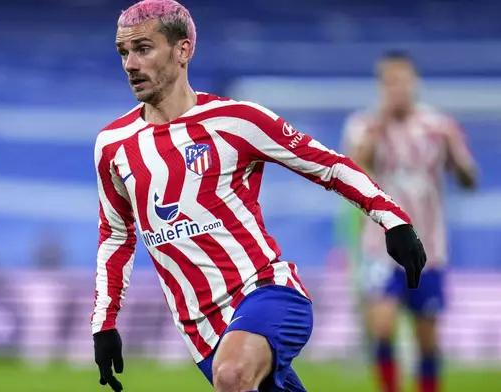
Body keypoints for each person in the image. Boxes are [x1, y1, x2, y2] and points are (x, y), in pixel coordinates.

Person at [91, 2, 427, 391]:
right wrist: (104, 323)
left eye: (143, 49)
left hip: (267, 292)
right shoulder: (112, 145)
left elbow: (329, 166)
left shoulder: (237, 121)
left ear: (183, 50)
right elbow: (116, 235)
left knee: (232, 374)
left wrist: (393, 219)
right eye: (123, 52)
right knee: (234, 373)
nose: (130, 63)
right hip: (201, 331)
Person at [342, 51, 477, 392]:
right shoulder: (364, 125)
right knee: (383, 326)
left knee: (427, 338)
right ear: (381, 87)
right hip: (380, 247)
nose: (397, 88)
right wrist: (379, 127)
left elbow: (469, 179)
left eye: (402, 80)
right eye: (389, 82)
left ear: (414, 83)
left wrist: (458, 161)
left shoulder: (438, 127)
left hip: (428, 248)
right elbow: (350, 173)